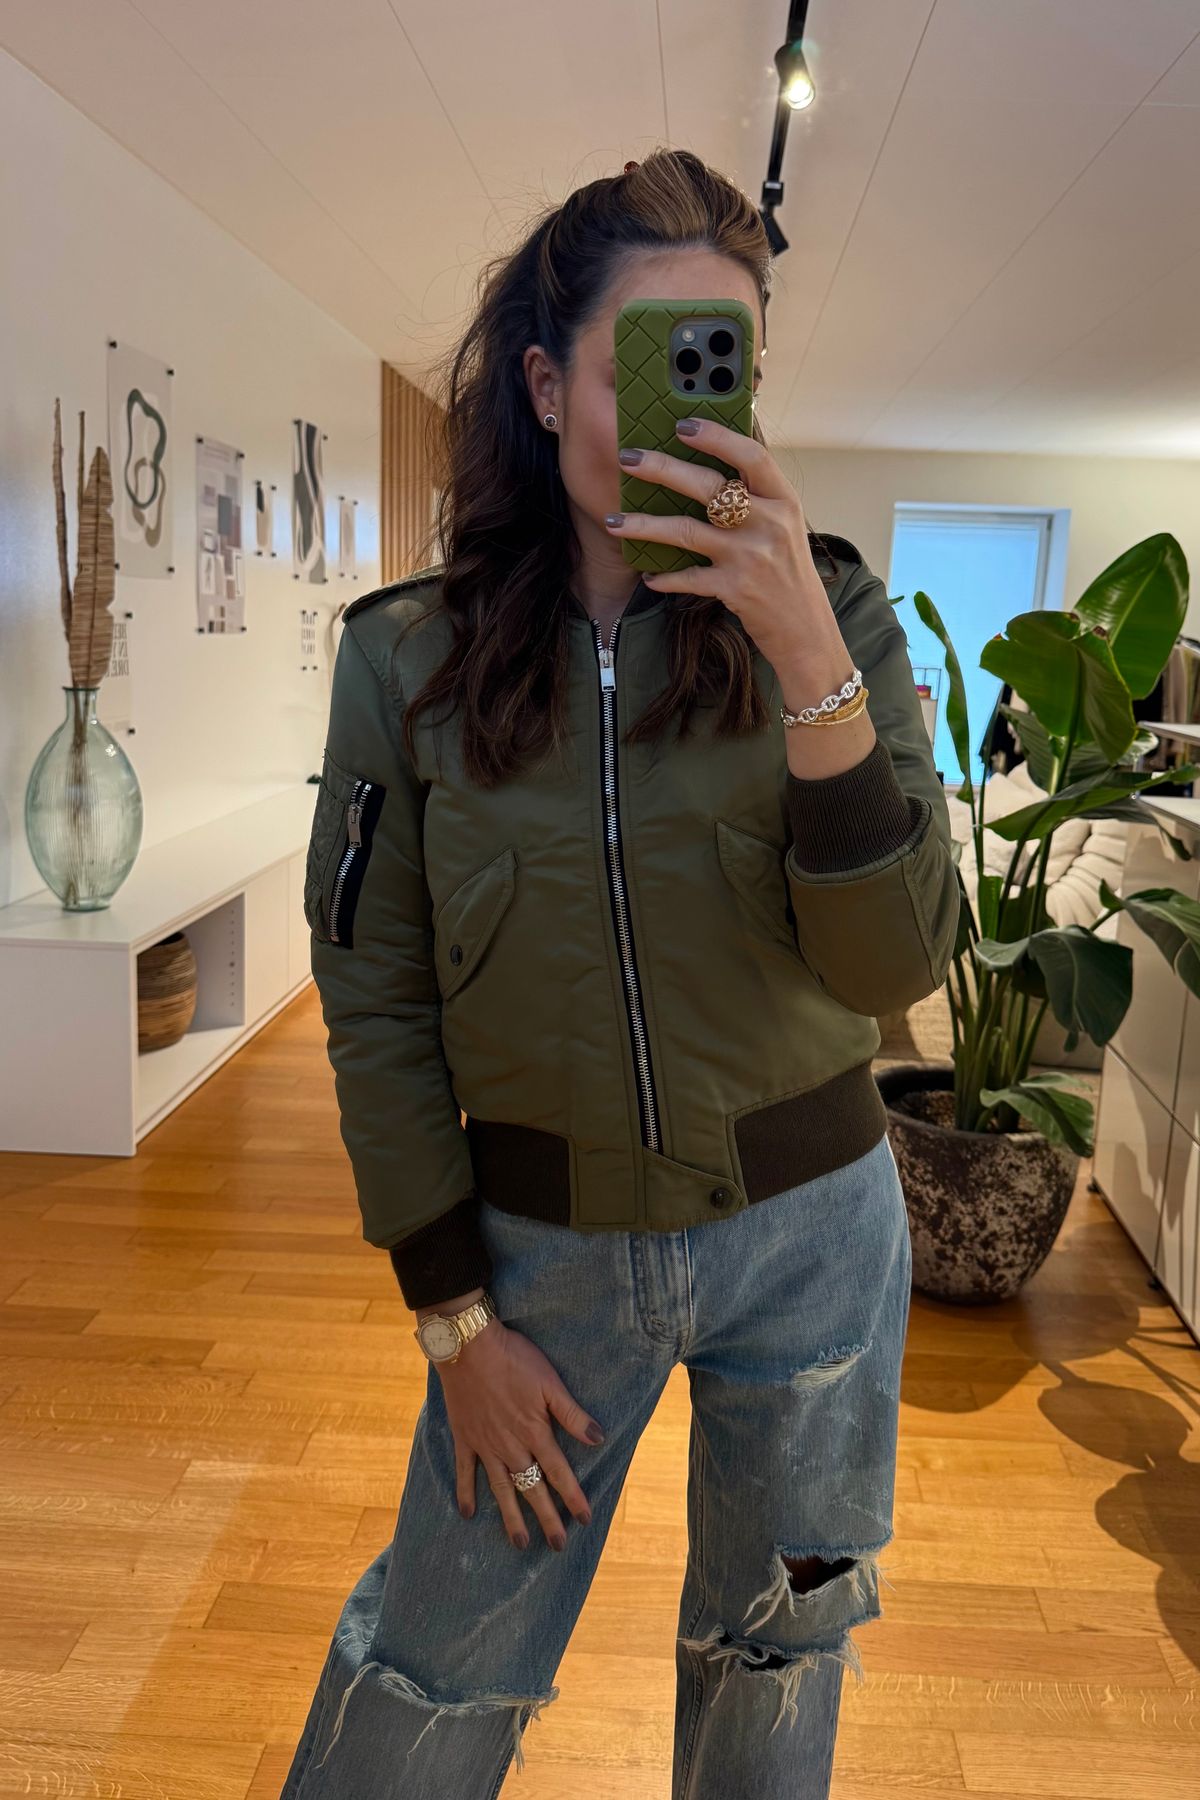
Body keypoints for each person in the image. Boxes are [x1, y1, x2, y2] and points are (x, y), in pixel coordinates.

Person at [280, 147, 959, 1799]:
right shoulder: (409, 661)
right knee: (434, 1669)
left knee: (781, 1650)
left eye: (724, 369)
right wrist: (453, 1319)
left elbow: (894, 961)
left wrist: (808, 664)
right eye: (648, 365)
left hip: (817, 1256)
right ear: (544, 384)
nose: (687, 417)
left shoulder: (835, 617)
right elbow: (375, 1004)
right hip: (541, 1269)